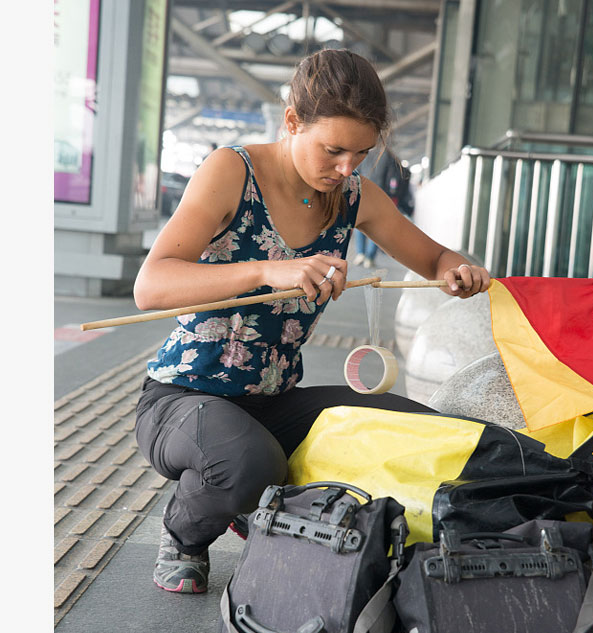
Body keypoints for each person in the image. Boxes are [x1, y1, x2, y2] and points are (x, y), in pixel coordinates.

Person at [132, 49, 492, 595]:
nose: (347, 169)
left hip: (272, 401)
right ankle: (185, 531)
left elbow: (434, 258)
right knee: (250, 463)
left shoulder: (353, 197)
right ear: (293, 122)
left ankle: (248, 496)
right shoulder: (232, 170)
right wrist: (266, 271)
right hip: (182, 399)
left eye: (362, 154)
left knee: (416, 424)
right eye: (334, 150)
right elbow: (151, 286)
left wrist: (457, 270)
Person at [352, 146, 397, 268]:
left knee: (359, 222)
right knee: (377, 225)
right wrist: (391, 193)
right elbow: (392, 177)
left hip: (362, 190)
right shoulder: (388, 155)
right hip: (380, 193)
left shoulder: (363, 151)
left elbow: (356, 170)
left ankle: (360, 253)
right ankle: (369, 257)